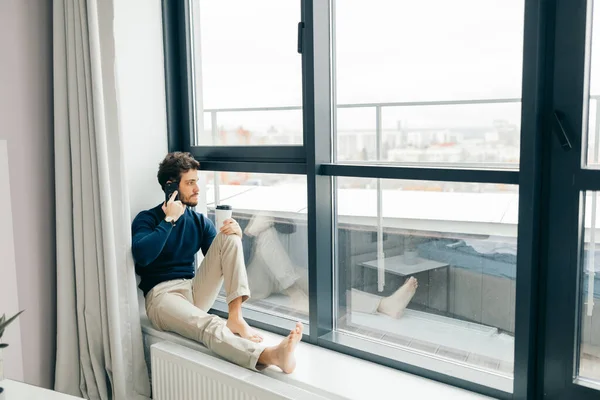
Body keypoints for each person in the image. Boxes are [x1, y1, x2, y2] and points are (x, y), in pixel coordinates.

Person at [132, 152, 302, 374]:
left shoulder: (198, 221)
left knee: (229, 235)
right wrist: (169, 220)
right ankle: (270, 356)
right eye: (190, 183)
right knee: (211, 324)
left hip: (193, 290)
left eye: (197, 182)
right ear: (171, 186)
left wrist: (237, 236)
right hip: (162, 298)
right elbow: (143, 256)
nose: (197, 189)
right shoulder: (148, 218)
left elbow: (222, 255)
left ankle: (236, 316)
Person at [245, 212, 419, 318]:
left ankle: (384, 305)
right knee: (265, 235)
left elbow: (290, 228)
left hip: (272, 269)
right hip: (245, 281)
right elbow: (223, 250)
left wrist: (274, 214)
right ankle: (296, 296)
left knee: (322, 285)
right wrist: (249, 232)